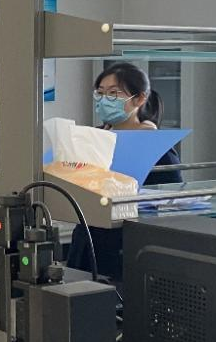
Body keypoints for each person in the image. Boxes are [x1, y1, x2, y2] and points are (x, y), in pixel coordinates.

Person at [69, 62, 181, 281]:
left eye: (113, 94)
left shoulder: (156, 148)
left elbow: (173, 205)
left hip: (131, 251)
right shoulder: (91, 139)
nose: (104, 100)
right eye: (100, 93)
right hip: (86, 246)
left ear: (139, 99)